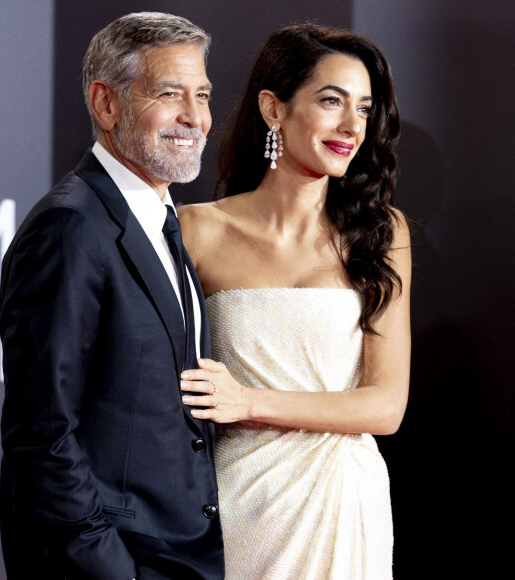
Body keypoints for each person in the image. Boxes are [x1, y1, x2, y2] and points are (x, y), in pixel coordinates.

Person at [178, 25, 411, 579]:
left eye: (363, 108)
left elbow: (385, 407)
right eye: (331, 102)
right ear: (273, 108)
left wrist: (247, 401)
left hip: (344, 503)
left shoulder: (380, 233)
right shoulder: (195, 230)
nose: (352, 127)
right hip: (239, 504)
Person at [0, 12, 224, 580]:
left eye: (202, 94)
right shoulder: (71, 226)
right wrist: (108, 567)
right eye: (170, 94)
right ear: (106, 103)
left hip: (179, 551)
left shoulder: (158, 217)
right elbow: (42, 433)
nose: (194, 117)